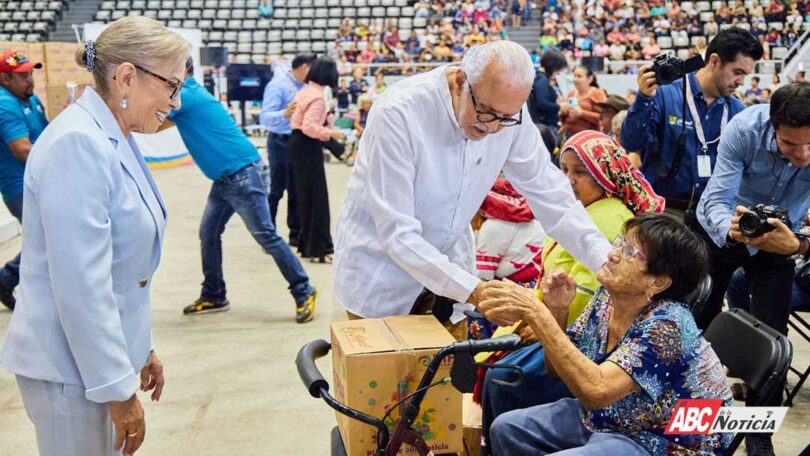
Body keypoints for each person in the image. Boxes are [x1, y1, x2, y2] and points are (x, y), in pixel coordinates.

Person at [0, 16, 189, 455]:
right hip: (70, 373)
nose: (176, 102)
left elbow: (124, 269)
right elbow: (82, 286)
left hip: (91, 362)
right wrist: (116, 390)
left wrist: (142, 347)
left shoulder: (113, 134)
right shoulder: (78, 144)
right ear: (126, 77)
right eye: (171, 86)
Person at [333, 41, 613, 327]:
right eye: (486, 112)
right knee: (386, 371)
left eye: (505, 119)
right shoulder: (399, 112)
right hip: (383, 277)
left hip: (452, 276)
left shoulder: (507, 112)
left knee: (449, 370)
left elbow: (550, 194)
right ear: (459, 82)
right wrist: (475, 290)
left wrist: (606, 263)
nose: (493, 127)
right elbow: (397, 233)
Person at [481, 214, 733, 455]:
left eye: (630, 253)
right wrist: (557, 311)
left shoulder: (667, 327)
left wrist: (538, 314)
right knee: (507, 429)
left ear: (657, 283)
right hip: (614, 417)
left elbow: (596, 392)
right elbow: (557, 371)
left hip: (662, 439)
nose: (612, 255)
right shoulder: (608, 299)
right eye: (620, 243)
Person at [480, 131, 664, 453]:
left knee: (503, 377)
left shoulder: (610, 218)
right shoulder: (580, 212)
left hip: (639, 425)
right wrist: (549, 312)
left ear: (604, 173)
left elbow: (588, 294)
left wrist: (542, 319)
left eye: (580, 172)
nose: (570, 180)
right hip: (565, 327)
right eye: (564, 170)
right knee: (499, 375)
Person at [695, 82, 810, 455]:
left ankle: (758, 432)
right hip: (727, 230)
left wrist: (800, 243)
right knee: (698, 322)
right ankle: (694, 414)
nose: (804, 154)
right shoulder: (744, 129)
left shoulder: (804, 146)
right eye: (791, 145)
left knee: (775, 341)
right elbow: (717, 196)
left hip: (782, 240)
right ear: (773, 127)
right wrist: (728, 227)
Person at [166, 59, 319, 323]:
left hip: (241, 175)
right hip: (227, 178)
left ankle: (304, 289)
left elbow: (148, 121)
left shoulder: (184, 95)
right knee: (209, 233)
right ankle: (214, 293)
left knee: (267, 236)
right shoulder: (186, 95)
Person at [621, 27, 763, 219]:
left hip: (710, 218)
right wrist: (644, 99)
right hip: (662, 214)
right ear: (714, 61)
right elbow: (631, 142)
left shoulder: (738, 113)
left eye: (745, 74)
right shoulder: (664, 93)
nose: (741, 82)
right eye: (738, 72)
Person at [0, 49, 48, 311]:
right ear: (6, 79)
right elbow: (22, 150)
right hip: (20, 187)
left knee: (45, 241)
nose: (30, 79)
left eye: (30, 73)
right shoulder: (5, 103)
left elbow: (48, 131)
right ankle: (6, 279)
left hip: (36, 182)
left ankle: (5, 279)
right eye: (22, 75)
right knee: (48, 242)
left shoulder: (29, 99)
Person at [288, 57, 344, 264]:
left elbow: (298, 121)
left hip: (297, 144)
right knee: (317, 198)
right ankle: (321, 248)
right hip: (306, 146)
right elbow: (309, 127)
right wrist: (331, 133)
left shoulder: (305, 92)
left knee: (306, 197)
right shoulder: (317, 97)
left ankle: (308, 245)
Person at [259, 54, 315, 248]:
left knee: (296, 189)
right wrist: (284, 113)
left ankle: (295, 232)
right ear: (304, 67)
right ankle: (268, 233)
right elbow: (265, 117)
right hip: (279, 141)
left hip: (297, 141)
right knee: (276, 189)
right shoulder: (278, 85)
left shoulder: (305, 87)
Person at [527, 49, 568, 136]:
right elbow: (542, 103)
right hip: (546, 126)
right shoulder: (542, 79)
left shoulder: (540, 77)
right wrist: (559, 106)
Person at [559, 66, 607, 138]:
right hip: (568, 136)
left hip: (587, 138)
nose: (575, 79)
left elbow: (604, 118)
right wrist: (563, 113)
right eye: (574, 76)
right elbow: (565, 118)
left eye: (579, 76)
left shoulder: (597, 93)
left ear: (590, 79)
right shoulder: (571, 93)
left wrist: (582, 114)